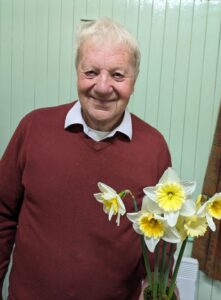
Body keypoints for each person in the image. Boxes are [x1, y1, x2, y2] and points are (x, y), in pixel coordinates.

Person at [0, 17, 171, 300]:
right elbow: (2, 211)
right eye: (91, 72)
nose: (103, 87)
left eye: (118, 75)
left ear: (135, 80)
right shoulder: (33, 128)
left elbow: (162, 232)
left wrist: (158, 286)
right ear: (77, 72)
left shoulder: (154, 147)